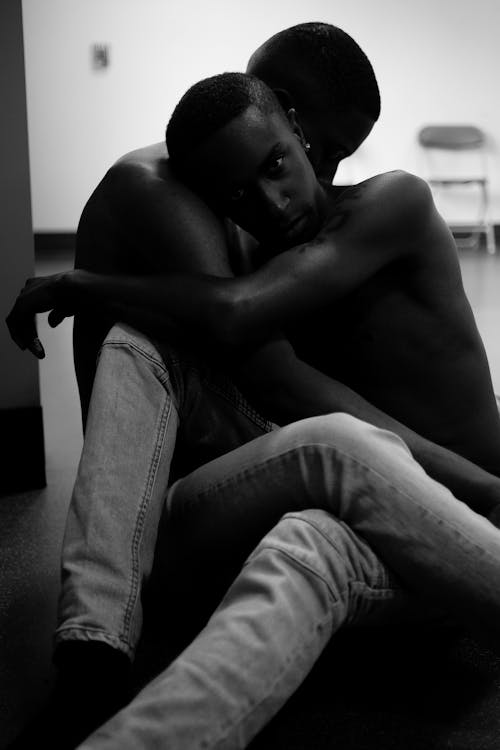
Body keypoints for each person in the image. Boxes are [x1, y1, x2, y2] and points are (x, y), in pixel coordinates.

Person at [6, 28, 500, 749]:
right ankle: (93, 658)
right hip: (363, 487)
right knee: (140, 342)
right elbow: (234, 321)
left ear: (294, 125)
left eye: (286, 163)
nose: (275, 201)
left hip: (443, 509)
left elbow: (236, 318)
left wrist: (81, 283)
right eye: (239, 191)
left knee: (314, 522)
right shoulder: (258, 243)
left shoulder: (392, 202)